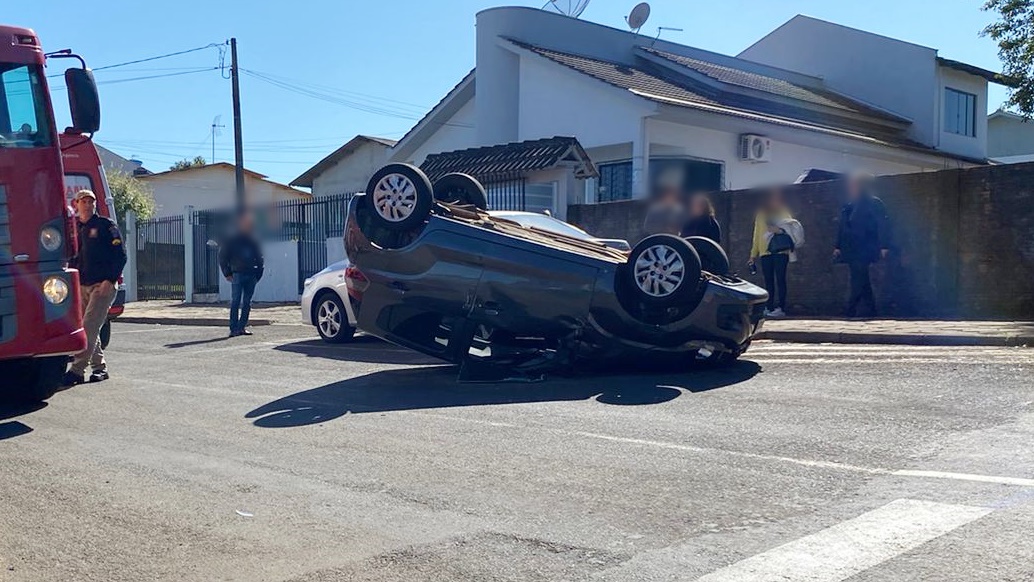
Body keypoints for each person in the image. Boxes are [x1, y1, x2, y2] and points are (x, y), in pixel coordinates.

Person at [62, 189, 127, 386]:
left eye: (91, 202)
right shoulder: (74, 228)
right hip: (81, 285)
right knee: (89, 328)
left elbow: (120, 255)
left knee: (89, 326)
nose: (88, 205)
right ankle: (100, 368)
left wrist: (110, 280)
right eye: (84, 202)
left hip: (102, 286)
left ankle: (77, 370)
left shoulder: (106, 226)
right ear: (76, 204)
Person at [834, 174, 891, 318]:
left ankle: (850, 309)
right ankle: (871, 310)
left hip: (865, 247)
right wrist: (838, 246)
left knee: (857, 278)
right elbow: (842, 227)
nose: (851, 188)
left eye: (854, 185)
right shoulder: (849, 205)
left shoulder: (875, 203)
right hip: (851, 248)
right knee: (862, 279)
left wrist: (884, 245)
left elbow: (882, 225)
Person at [748, 188, 803, 317]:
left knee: (780, 279)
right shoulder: (761, 215)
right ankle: (769, 306)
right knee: (768, 281)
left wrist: (779, 230)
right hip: (765, 252)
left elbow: (791, 230)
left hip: (780, 251)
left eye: (777, 199)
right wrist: (752, 255)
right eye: (773, 199)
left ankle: (781, 308)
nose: (775, 202)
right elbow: (756, 235)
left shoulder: (784, 213)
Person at [218, 214, 264, 337]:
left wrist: (259, 273)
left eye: (250, 225)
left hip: (251, 275)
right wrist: (227, 273)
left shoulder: (253, 241)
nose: (248, 226)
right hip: (237, 274)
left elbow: (260, 257)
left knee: (247, 302)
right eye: (245, 224)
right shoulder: (232, 239)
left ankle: (242, 327)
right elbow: (222, 257)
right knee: (236, 301)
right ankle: (233, 329)